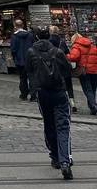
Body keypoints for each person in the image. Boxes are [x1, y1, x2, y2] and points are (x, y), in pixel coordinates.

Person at [26, 27, 73, 179]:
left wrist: (33, 90)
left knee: (49, 124)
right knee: (63, 126)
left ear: (37, 38)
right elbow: (67, 71)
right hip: (59, 91)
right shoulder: (57, 52)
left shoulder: (31, 52)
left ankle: (55, 156)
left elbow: (29, 71)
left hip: (43, 92)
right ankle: (65, 161)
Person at [67, 31, 97, 115]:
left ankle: (93, 106)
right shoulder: (92, 45)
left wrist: (66, 56)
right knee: (93, 89)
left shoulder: (77, 46)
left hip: (84, 71)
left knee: (87, 89)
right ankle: (92, 106)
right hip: (95, 71)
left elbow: (73, 57)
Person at [49, 25, 77, 113]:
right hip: (64, 66)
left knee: (57, 86)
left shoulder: (48, 42)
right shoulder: (62, 42)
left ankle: (60, 103)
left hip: (54, 68)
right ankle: (72, 103)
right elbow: (68, 54)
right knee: (69, 86)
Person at [10, 19, 35, 101]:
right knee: (31, 77)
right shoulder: (30, 35)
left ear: (15, 26)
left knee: (22, 78)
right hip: (30, 59)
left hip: (20, 60)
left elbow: (13, 49)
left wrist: (14, 58)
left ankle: (24, 94)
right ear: (23, 25)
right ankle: (33, 95)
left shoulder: (14, 36)